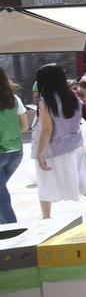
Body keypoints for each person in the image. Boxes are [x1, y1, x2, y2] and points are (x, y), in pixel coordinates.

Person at [34, 64, 86, 219]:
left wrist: (39, 153)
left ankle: (46, 218)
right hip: (75, 144)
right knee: (81, 177)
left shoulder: (46, 101)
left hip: (53, 147)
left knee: (45, 181)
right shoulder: (73, 97)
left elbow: (47, 130)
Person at [0, 67, 28, 224]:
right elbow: (24, 127)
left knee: (2, 198)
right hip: (16, 152)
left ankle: (12, 230)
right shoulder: (14, 99)